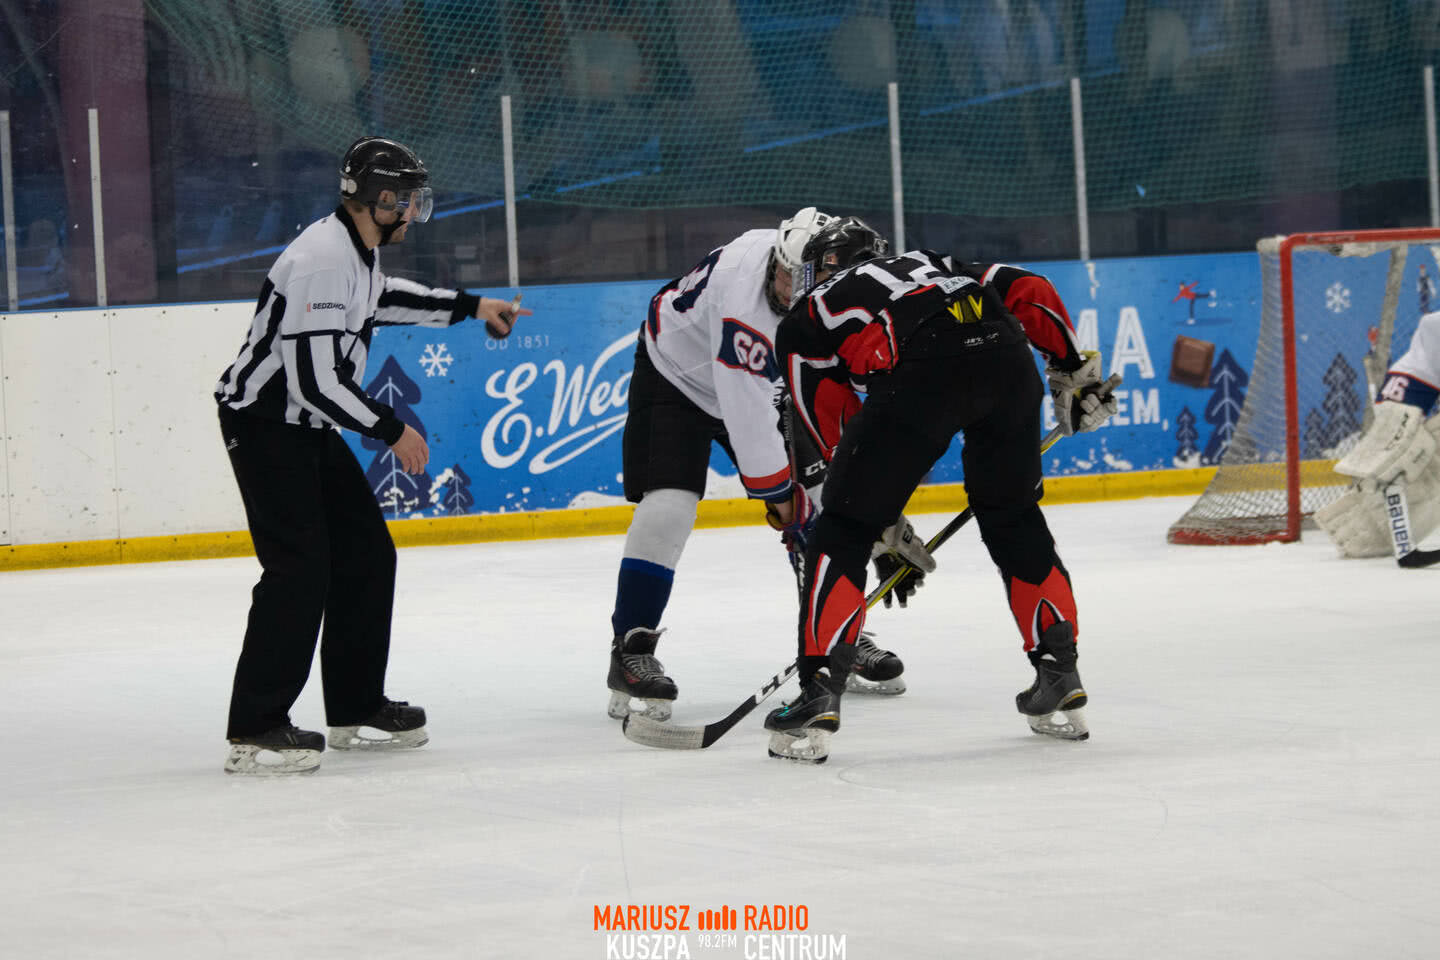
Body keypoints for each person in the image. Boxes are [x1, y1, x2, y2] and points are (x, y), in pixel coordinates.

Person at [214, 136, 531, 775]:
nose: (415, 212)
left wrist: (472, 307)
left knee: (365, 555)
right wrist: (391, 429)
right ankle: (255, 726)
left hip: (304, 427)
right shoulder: (324, 260)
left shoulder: (355, 253)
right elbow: (315, 382)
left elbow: (382, 301)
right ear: (381, 200)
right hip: (266, 426)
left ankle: (355, 705)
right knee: (298, 571)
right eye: (408, 200)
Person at [765, 217, 1119, 763]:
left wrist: (876, 517)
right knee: (1013, 514)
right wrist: (1074, 371)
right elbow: (1028, 288)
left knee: (843, 527)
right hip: (1006, 359)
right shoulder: (931, 261)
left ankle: (817, 692)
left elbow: (833, 430)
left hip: (921, 371)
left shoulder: (806, 317)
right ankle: (1058, 671)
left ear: (819, 268)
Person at [606, 208, 911, 723]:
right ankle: (630, 648)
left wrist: (869, 510)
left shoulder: (840, 299)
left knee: (824, 502)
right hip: (676, 376)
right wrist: (786, 506)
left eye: (802, 279)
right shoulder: (743, 299)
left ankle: (838, 633)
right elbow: (748, 418)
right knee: (670, 504)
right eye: (785, 272)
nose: (789, 287)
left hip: (765, 382)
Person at [1316, 310, 1440, 556]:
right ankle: (1382, 534)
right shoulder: (1435, 325)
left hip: (1416, 388)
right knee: (1403, 464)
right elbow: (1429, 330)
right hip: (1406, 394)